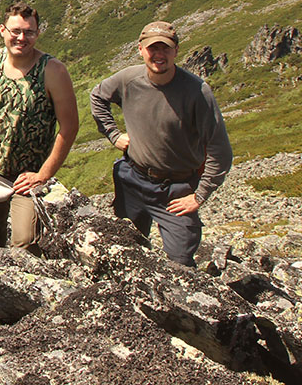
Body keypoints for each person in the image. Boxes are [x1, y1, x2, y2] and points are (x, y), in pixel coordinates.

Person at [91, 20, 233, 266]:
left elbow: (220, 150)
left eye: (165, 48)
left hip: (176, 190)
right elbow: (98, 97)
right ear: (140, 50)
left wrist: (199, 196)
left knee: (180, 261)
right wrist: (114, 135)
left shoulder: (197, 92)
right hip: (131, 180)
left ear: (176, 51)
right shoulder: (128, 79)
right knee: (125, 248)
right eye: (152, 48)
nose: (159, 55)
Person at [0, 1, 79, 256]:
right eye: (15, 31)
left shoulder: (53, 71)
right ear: (3, 30)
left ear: (38, 33)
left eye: (28, 32)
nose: (21, 37)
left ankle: (22, 290)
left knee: (25, 243)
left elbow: (70, 126)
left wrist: (43, 174)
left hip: (28, 176)